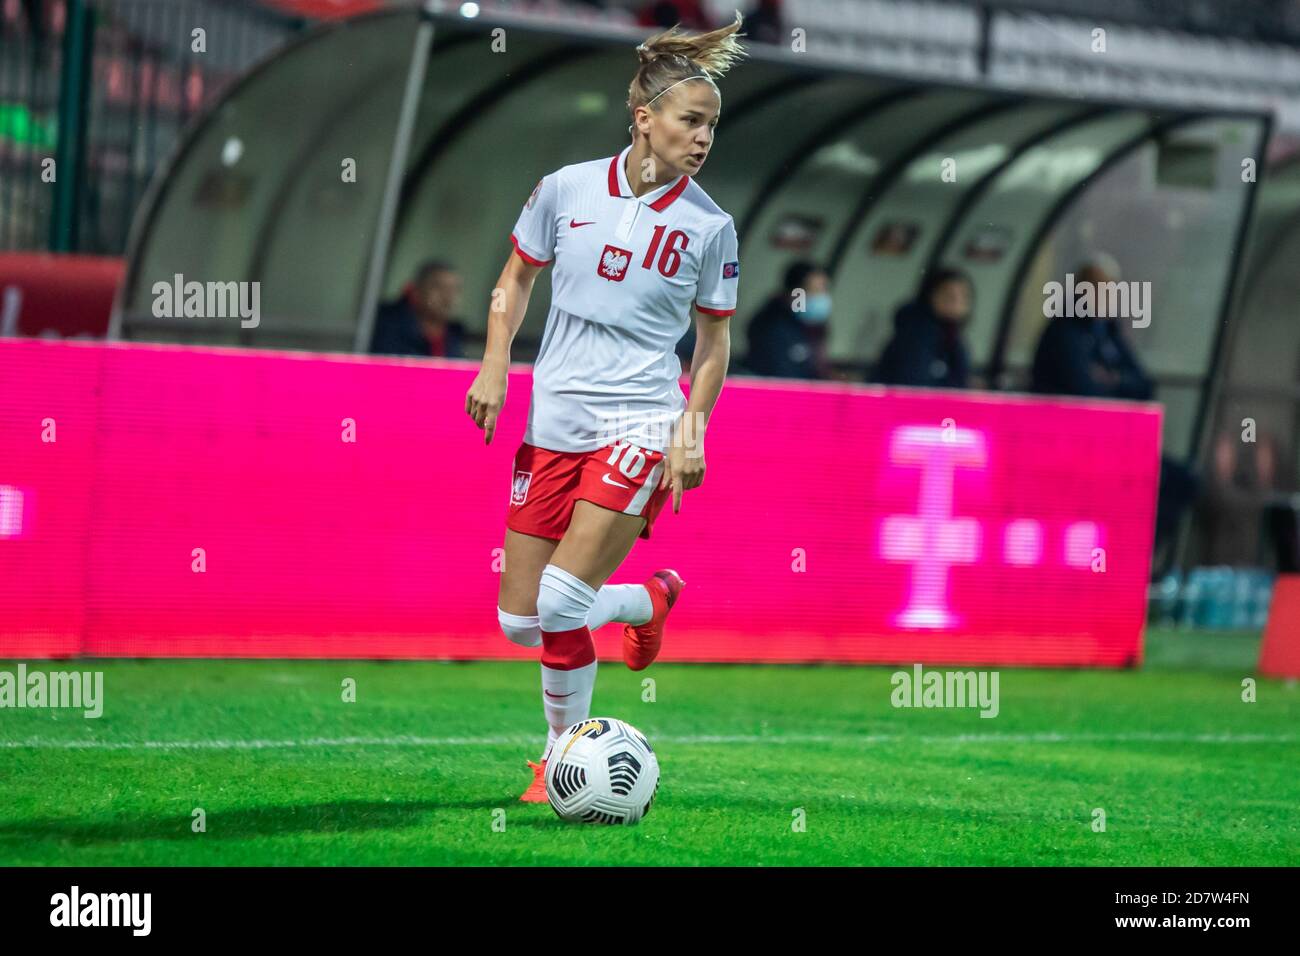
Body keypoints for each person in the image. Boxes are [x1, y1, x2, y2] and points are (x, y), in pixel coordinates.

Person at [463, 15, 746, 803]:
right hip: (553, 422)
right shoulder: (566, 189)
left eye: (712, 125)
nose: (703, 138)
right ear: (644, 117)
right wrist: (495, 366)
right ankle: (648, 599)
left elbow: (713, 345)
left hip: (638, 424)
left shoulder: (710, 226)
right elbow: (514, 280)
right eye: (691, 120)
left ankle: (557, 763)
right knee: (521, 621)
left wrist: (690, 431)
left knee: (560, 601)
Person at [875, 267, 973, 389]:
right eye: (949, 295)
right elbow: (916, 385)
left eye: (964, 296)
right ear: (931, 295)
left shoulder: (951, 334)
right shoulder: (917, 333)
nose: (957, 303)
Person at [745, 261, 833, 379]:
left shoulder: (814, 327)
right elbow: (782, 374)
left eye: (823, 290)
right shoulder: (772, 326)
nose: (820, 296)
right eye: (814, 290)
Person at [369, 260, 466, 358]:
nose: (448, 297)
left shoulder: (455, 336)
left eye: (455, 289)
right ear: (417, 290)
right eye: (438, 287)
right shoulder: (387, 326)